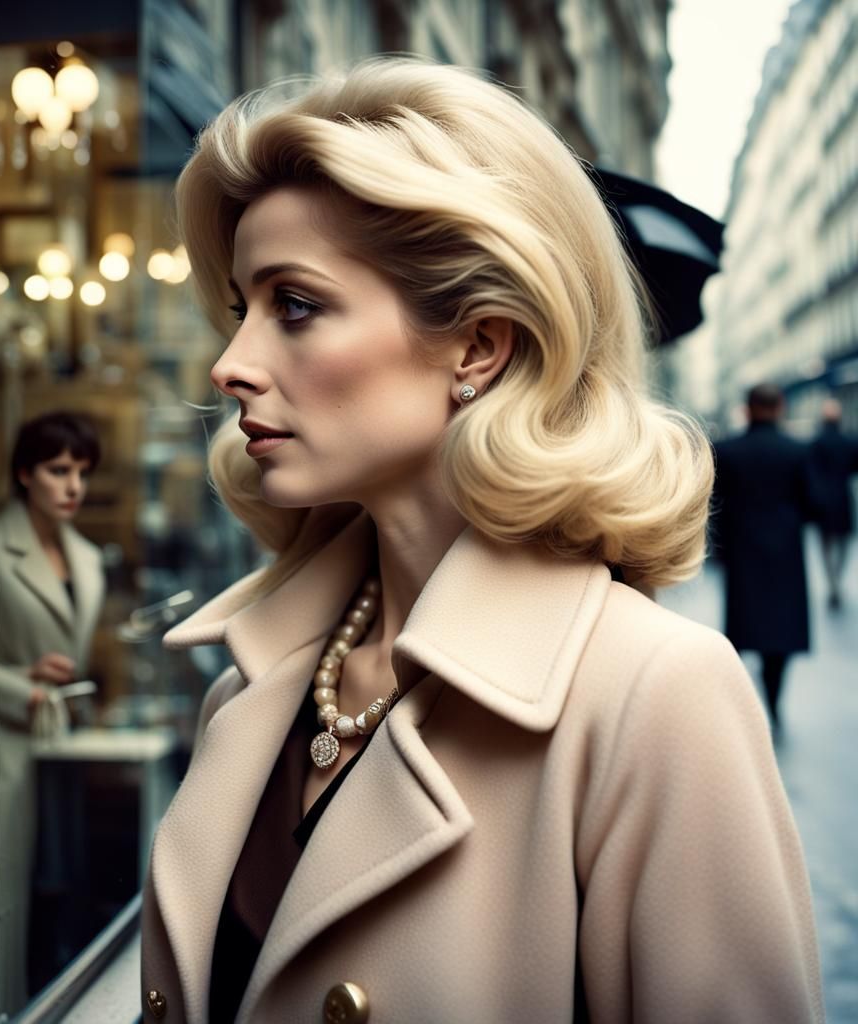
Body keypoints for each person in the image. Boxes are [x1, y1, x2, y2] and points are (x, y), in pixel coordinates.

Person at [141, 60, 823, 1023]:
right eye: (239, 310)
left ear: (477, 346)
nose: (231, 364)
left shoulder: (653, 698)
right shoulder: (248, 688)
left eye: (294, 305)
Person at [0, 411, 104, 1015]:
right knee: (14, 897)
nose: (73, 487)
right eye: (58, 471)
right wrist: (23, 686)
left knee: (69, 888)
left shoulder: (85, 556)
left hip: (68, 747)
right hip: (6, 747)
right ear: (23, 474)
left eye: (81, 473)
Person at [711, 383, 817, 732]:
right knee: (780, 631)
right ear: (780, 406)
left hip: (742, 553)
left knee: (741, 628)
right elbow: (812, 503)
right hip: (785, 554)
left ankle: (738, 703)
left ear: (748, 408)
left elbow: (715, 505)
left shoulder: (727, 451)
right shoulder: (797, 451)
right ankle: (773, 697)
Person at [810, 397, 858, 609]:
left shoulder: (816, 443)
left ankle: (832, 583)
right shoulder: (849, 441)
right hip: (843, 498)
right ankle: (837, 579)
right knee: (844, 543)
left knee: (826, 544)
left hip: (823, 501)